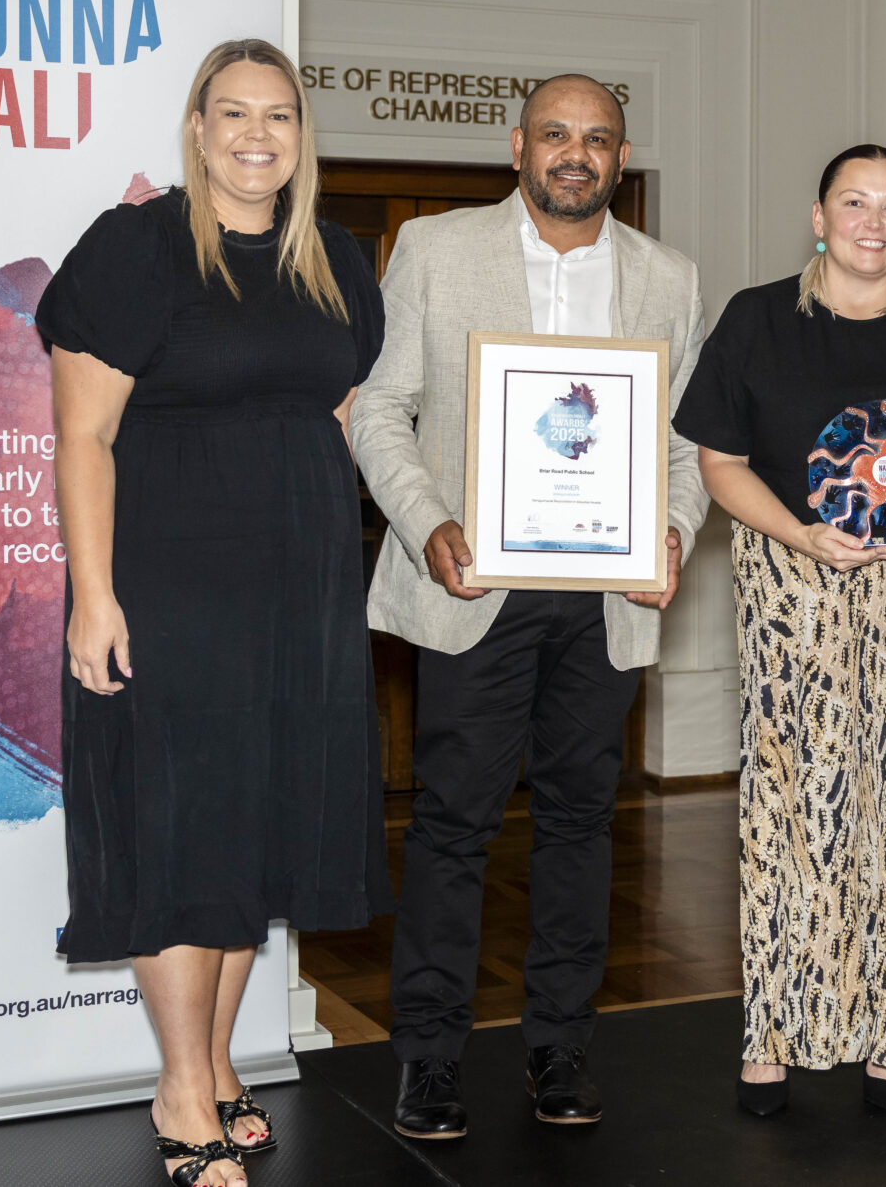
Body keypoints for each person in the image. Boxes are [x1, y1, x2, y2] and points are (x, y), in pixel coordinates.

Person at [38, 38, 391, 1187]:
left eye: (277, 114)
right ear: (196, 128)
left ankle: (218, 1062)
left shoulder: (335, 258)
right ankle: (181, 1089)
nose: (255, 135)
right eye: (232, 112)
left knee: (257, 826)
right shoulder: (134, 249)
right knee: (181, 830)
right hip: (169, 583)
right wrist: (94, 597)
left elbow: (342, 414)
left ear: (301, 135)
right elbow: (82, 436)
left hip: (300, 585)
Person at [352, 73, 707, 1139]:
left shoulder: (668, 277)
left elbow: (684, 445)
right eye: (555, 134)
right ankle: (428, 1057)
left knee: (580, 825)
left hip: (605, 599)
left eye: (596, 139)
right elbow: (380, 406)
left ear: (620, 158)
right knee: (453, 823)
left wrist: (672, 532)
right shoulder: (434, 249)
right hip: (476, 586)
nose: (574, 154)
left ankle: (560, 1046)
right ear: (517, 147)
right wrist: (427, 523)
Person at [673, 144, 886, 1117]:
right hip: (792, 583)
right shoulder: (756, 318)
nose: (874, 221)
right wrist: (801, 534)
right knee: (793, 807)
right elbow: (720, 462)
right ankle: (778, 1035)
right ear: (818, 218)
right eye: (854, 203)